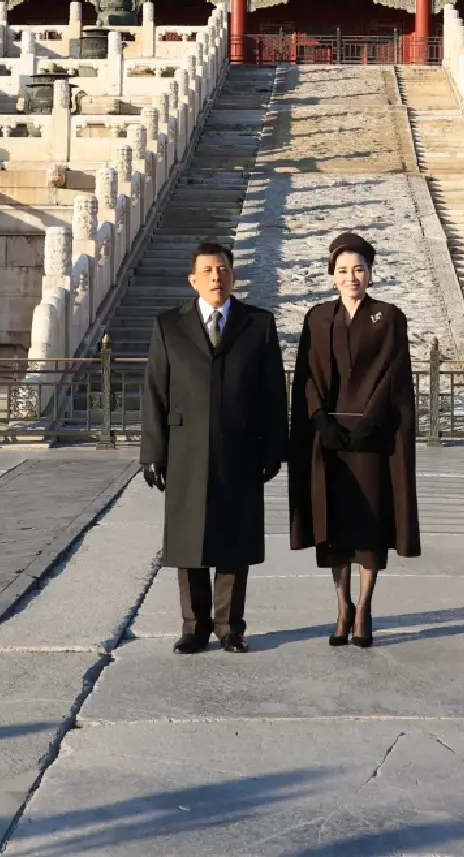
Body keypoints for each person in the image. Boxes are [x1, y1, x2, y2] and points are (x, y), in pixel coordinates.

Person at [141, 241, 288, 654]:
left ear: (233, 276)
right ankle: (194, 625)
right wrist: (152, 452)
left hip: (239, 447)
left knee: (234, 538)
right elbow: (155, 391)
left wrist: (273, 448)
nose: (215, 277)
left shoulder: (257, 324)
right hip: (184, 448)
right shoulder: (169, 325)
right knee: (189, 541)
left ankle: (229, 626)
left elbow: (273, 392)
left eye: (222, 269)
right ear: (193, 280)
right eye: (207, 271)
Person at [288, 232, 421, 648]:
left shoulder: (389, 316)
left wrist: (369, 422)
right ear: (331, 276)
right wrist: (318, 421)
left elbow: (393, 375)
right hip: (329, 437)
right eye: (343, 270)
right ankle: (341, 605)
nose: (351, 277)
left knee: (368, 525)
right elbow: (307, 376)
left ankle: (364, 606)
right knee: (335, 527)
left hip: (371, 438)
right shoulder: (317, 318)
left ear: (370, 273)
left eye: (358, 269)